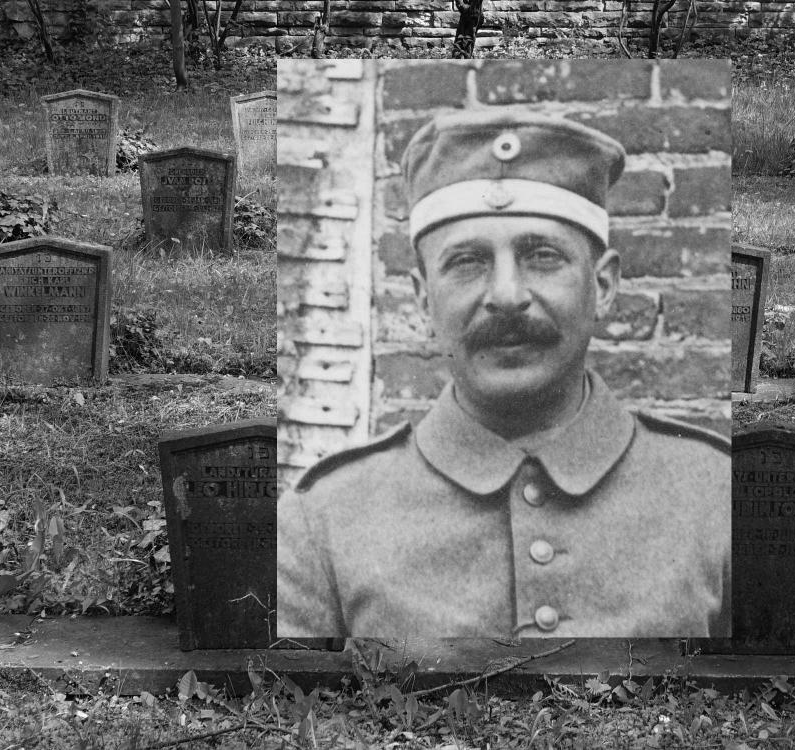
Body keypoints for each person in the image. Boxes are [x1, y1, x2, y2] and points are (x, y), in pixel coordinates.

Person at [276, 109, 730, 639]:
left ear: (603, 286)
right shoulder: (321, 521)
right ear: (423, 297)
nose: (507, 296)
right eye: (467, 262)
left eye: (542, 256)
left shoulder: (715, 497)